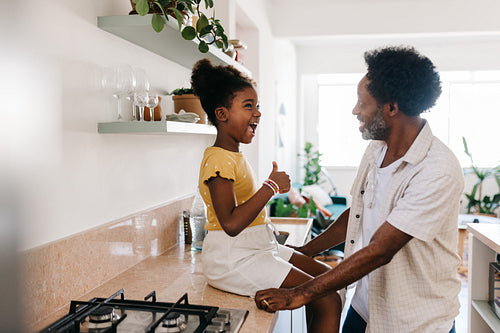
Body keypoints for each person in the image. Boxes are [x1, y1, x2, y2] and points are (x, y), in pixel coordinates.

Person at [255, 46, 464, 333]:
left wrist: (300, 293)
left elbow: (381, 250)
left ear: (391, 107)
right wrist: (306, 250)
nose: (355, 111)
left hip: (414, 322)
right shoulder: (376, 150)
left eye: (361, 103)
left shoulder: (437, 168)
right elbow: (357, 214)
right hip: (366, 307)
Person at [191, 59, 342, 332]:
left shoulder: (231, 156)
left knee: (329, 280)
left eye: (257, 106)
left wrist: (269, 187)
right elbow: (232, 224)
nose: (258, 113)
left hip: (257, 248)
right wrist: (270, 187)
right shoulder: (218, 160)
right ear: (222, 114)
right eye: (248, 106)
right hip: (233, 259)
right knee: (327, 299)